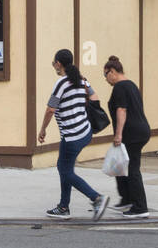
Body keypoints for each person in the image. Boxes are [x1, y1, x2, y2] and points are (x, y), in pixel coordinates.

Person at [38, 48, 109, 219]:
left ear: (59, 64)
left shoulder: (61, 83)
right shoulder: (82, 81)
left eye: (53, 62)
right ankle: (63, 207)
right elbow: (95, 99)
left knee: (65, 170)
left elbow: (50, 109)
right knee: (65, 168)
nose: (53, 65)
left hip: (71, 136)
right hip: (85, 132)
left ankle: (97, 198)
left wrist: (42, 129)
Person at [103, 56, 151, 217]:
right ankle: (127, 199)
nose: (106, 79)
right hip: (140, 130)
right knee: (121, 166)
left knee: (131, 169)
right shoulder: (131, 85)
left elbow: (121, 110)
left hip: (132, 134)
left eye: (106, 75)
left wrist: (118, 134)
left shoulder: (120, 87)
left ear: (113, 71)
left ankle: (140, 207)